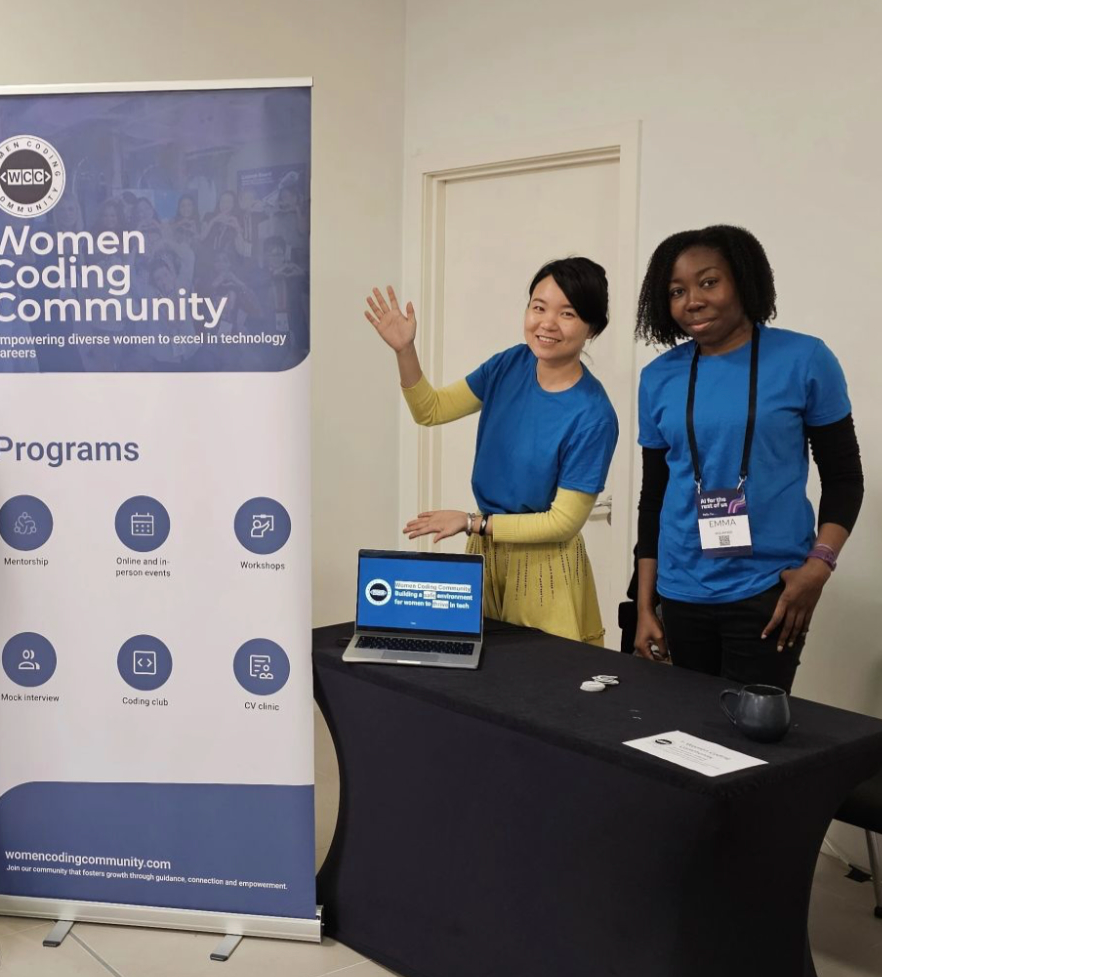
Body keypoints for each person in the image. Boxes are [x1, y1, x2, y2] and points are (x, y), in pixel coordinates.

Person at [631, 225, 863, 690]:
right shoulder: (658, 377)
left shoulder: (805, 359)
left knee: (754, 740)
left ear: (744, 280)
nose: (692, 300)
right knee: (687, 737)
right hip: (679, 591)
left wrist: (818, 568)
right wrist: (644, 604)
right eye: (676, 291)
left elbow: (843, 477)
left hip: (769, 589)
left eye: (708, 282)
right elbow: (654, 498)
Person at [366, 259, 620, 644]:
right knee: (479, 677)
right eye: (538, 307)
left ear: (592, 327)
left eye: (567, 313)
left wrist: (473, 522)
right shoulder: (510, 364)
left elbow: (563, 522)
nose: (547, 323)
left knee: (540, 689)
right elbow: (430, 410)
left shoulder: (593, 414)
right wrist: (405, 350)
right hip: (485, 552)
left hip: (545, 565)